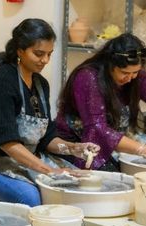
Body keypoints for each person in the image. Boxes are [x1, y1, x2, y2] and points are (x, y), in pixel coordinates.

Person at [0, 18, 99, 207]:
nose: (44, 60)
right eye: (38, 54)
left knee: (79, 184)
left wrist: (72, 148)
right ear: (20, 50)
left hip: (25, 159)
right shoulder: (2, 80)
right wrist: (48, 171)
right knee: (32, 198)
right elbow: (5, 142)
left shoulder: (40, 84)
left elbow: (46, 138)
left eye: (49, 54)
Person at [56, 33, 146, 171]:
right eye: (124, 73)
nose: (130, 78)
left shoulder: (135, 76)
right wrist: (140, 149)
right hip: (78, 144)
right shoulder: (88, 77)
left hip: (112, 141)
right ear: (110, 64)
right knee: (118, 181)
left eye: (134, 73)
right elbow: (97, 129)